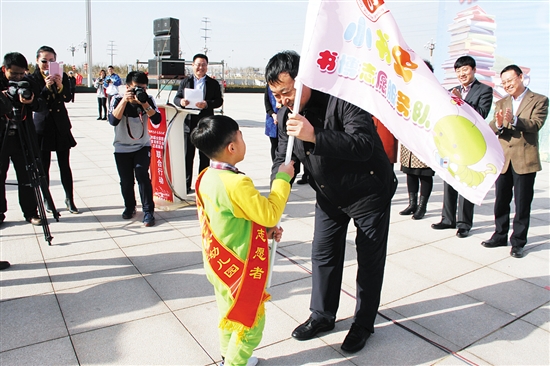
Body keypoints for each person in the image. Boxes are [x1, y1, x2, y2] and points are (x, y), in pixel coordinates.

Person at [267, 50, 397, 353]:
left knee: (368, 261)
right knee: (323, 254)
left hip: (368, 191)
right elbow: (281, 159)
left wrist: (315, 135)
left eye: (286, 92)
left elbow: (364, 144)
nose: (282, 100)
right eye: (276, 94)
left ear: (305, 79)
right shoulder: (287, 114)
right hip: (329, 194)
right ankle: (322, 315)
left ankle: (363, 323)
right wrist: (276, 196)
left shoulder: (343, 96)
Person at [190, 114, 294, 366]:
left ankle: (227, 354)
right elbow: (269, 212)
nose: (243, 140)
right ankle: (234, 363)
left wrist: (264, 232)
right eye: (241, 135)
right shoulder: (237, 183)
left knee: (228, 313)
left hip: (218, 264)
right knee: (251, 324)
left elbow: (230, 218)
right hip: (240, 268)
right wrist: (283, 179)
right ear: (232, 147)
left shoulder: (206, 177)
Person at [481, 65, 548, 258]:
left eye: (510, 81)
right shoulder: (502, 102)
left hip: (524, 159)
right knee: (501, 200)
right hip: (504, 160)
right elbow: (494, 125)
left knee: (522, 203)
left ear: (520, 77)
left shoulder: (540, 100)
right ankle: (499, 235)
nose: (507, 85)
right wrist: (499, 124)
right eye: (503, 83)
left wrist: (515, 119)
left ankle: (518, 242)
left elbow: (536, 124)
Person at [431, 55, 492, 238]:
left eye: (465, 69)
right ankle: (448, 219)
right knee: (450, 181)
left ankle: (464, 223)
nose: (461, 73)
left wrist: (461, 103)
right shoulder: (452, 90)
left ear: (473, 70)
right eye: (458, 70)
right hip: (452, 144)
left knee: (466, 182)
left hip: (470, 146)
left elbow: (481, 114)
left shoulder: (484, 90)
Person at [29, 45, 79, 214]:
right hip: (43, 127)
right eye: (44, 61)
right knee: (44, 166)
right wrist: (46, 86)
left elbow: (67, 97)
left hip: (60, 125)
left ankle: (69, 199)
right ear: (37, 61)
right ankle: (47, 199)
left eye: (51, 61)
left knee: (65, 164)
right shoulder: (33, 78)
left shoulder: (61, 75)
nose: (47, 64)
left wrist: (60, 85)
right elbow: (36, 103)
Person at [109, 71, 160, 227]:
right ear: (127, 87)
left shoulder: (148, 99)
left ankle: (148, 211)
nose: (141, 91)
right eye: (137, 88)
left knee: (142, 175)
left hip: (142, 146)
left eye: (144, 88)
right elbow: (113, 120)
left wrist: (143, 103)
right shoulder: (116, 99)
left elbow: (157, 120)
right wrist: (125, 100)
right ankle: (129, 207)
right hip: (121, 147)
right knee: (126, 181)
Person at [0, 52, 43, 228]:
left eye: (21, 73)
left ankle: (31, 212)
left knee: (27, 175)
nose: (18, 77)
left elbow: (41, 105)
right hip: (2, 137)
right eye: (14, 73)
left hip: (22, 137)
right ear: (4, 69)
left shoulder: (29, 82)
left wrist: (31, 101)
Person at [173, 53, 223, 193]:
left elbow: (219, 101)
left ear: (207, 67)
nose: (200, 67)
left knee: (205, 156)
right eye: (198, 64)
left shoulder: (213, 83)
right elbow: (176, 98)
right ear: (192, 66)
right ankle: (186, 185)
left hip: (206, 124)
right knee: (187, 156)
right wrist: (181, 102)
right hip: (189, 124)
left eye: (203, 65)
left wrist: (206, 104)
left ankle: (203, 185)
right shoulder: (186, 82)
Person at [399, 60, 436, 220]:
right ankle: (412, 203)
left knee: (424, 173)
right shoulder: (409, 89)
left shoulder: (434, 91)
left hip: (426, 137)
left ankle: (422, 206)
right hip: (409, 136)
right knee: (409, 171)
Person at [264, 85, 279, 162]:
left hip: (284, 119)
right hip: (272, 120)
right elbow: (267, 103)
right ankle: (275, 166)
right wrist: (273, 114)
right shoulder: (269, 86)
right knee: (274, 144)